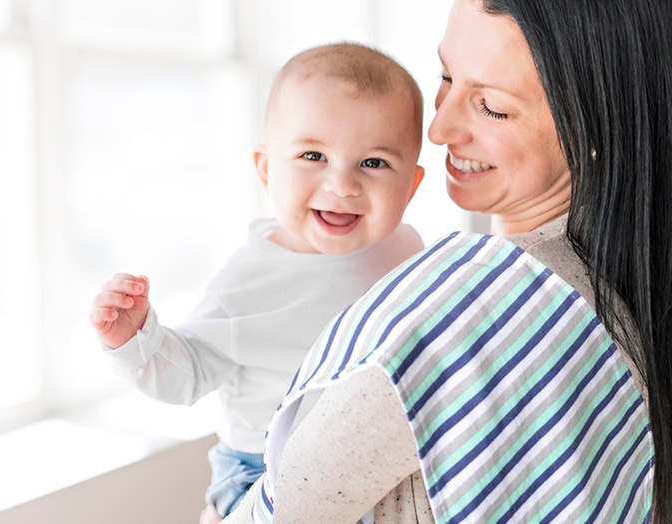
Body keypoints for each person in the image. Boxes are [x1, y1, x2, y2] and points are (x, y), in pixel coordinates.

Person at [225, 0, 672, 522]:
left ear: (597, 125)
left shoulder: (453, 311)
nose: (438, 128)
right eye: (446, 76)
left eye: (492, 107)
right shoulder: (617, 300)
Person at [88, 42, 426, 523]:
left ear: (411, 186)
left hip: (371, 466)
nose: (343, 185)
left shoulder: (406, 249)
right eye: (314, 155)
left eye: (373, 163)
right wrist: (135, 337)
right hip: (263, 471)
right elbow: (184, 375)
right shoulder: (245, 284)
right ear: (267, 170)